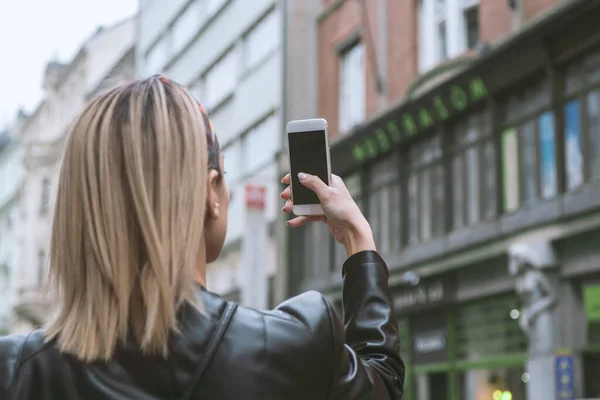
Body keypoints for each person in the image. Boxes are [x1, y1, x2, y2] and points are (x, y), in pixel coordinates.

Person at [0, 76, 405, 399]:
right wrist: (357, 238)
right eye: (224, 174)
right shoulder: (291, 346)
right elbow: (382, 381)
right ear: (211, 192)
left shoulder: (15, 369)